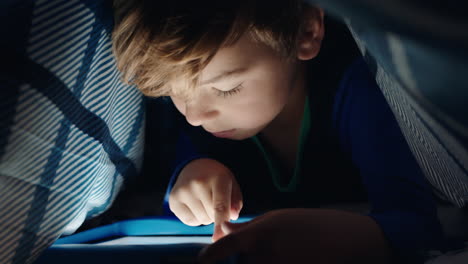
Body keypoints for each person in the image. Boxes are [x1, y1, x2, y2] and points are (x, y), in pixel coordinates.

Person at [112, 0, 446, 263]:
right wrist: (188, 179)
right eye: (176, 92)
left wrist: (327, 237)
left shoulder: (361, 93)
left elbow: (417, 227)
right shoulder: (203, 121)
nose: (195, 115)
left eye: (227, 88)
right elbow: (177, 202)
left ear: (306, 32)